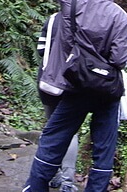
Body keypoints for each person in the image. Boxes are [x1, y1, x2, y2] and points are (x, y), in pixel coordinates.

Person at [24, 0, 127, 192]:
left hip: (76, 81)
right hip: (105, 89)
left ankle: (35, 186)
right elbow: (120, 59)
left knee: (55, 135)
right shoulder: (120, 16)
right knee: (104, 147)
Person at [37, 13, 78, 192]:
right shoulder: (88, 18)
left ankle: (53, 175)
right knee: (71, 132)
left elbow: (41, 49)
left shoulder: (54, 18)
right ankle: (68, 182)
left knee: (52, 127)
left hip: (49, 82)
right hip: (73, 84)